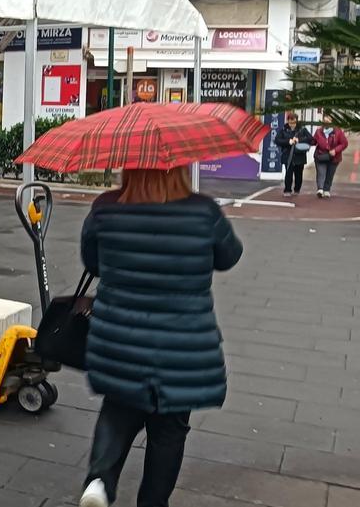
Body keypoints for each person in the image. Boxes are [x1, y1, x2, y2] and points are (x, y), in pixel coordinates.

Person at [78, 167, 243, 507]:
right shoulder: (203, 211)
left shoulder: (105, 207)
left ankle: (100, 482)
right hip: (181, 344)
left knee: (118, 409)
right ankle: (153, 502)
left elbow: (92, 262)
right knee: (169, 429)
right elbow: (230, 256)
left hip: (120, 338)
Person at [275, 113, 312, 197]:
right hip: (288, 155)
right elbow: (277, 140)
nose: (292, 124)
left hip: (299, 155)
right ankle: (287, 190)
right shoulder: (283, 130)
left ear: (296, 121)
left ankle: (297, 189)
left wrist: (299, 139)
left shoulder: (302, 129)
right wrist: (288, 141)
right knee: (288, 173)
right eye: (290, 122)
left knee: (298, 174)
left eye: (294, 122)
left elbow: (310, 139)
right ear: (287, 121)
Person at [313, 115, 349, 199]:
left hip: (334, 157)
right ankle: (320, 189)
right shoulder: (319, 131)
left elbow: (344, 143)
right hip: (320, 155)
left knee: (330, 174)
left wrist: (335, 150)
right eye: (324, 122)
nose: (326, 124)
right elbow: (314, 141)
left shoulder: (338, 132)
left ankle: (326, 190)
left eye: (328, 122)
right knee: (321, 173)